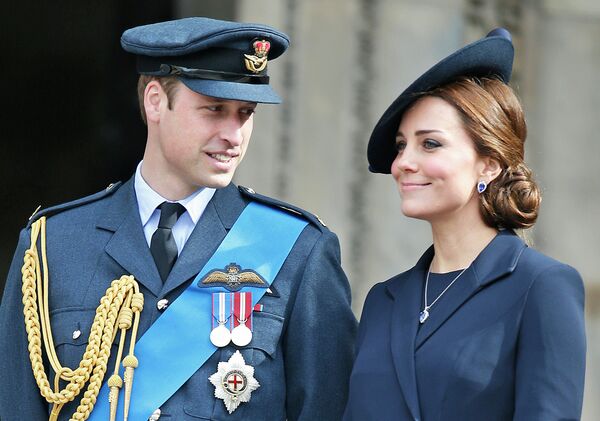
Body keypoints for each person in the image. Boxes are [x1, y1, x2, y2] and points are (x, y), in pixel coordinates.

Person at [0, 17, 356, 421]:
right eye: (214, 109)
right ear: (155, 100)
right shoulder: (52, 245)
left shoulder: (298, 250)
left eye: (245, 113)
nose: (234, 134)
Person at [343, 28, 586, 421]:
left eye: (430, 144)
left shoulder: (541, 286)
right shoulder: (383, 300)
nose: (403, 162)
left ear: (488, 164)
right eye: (402, 145)